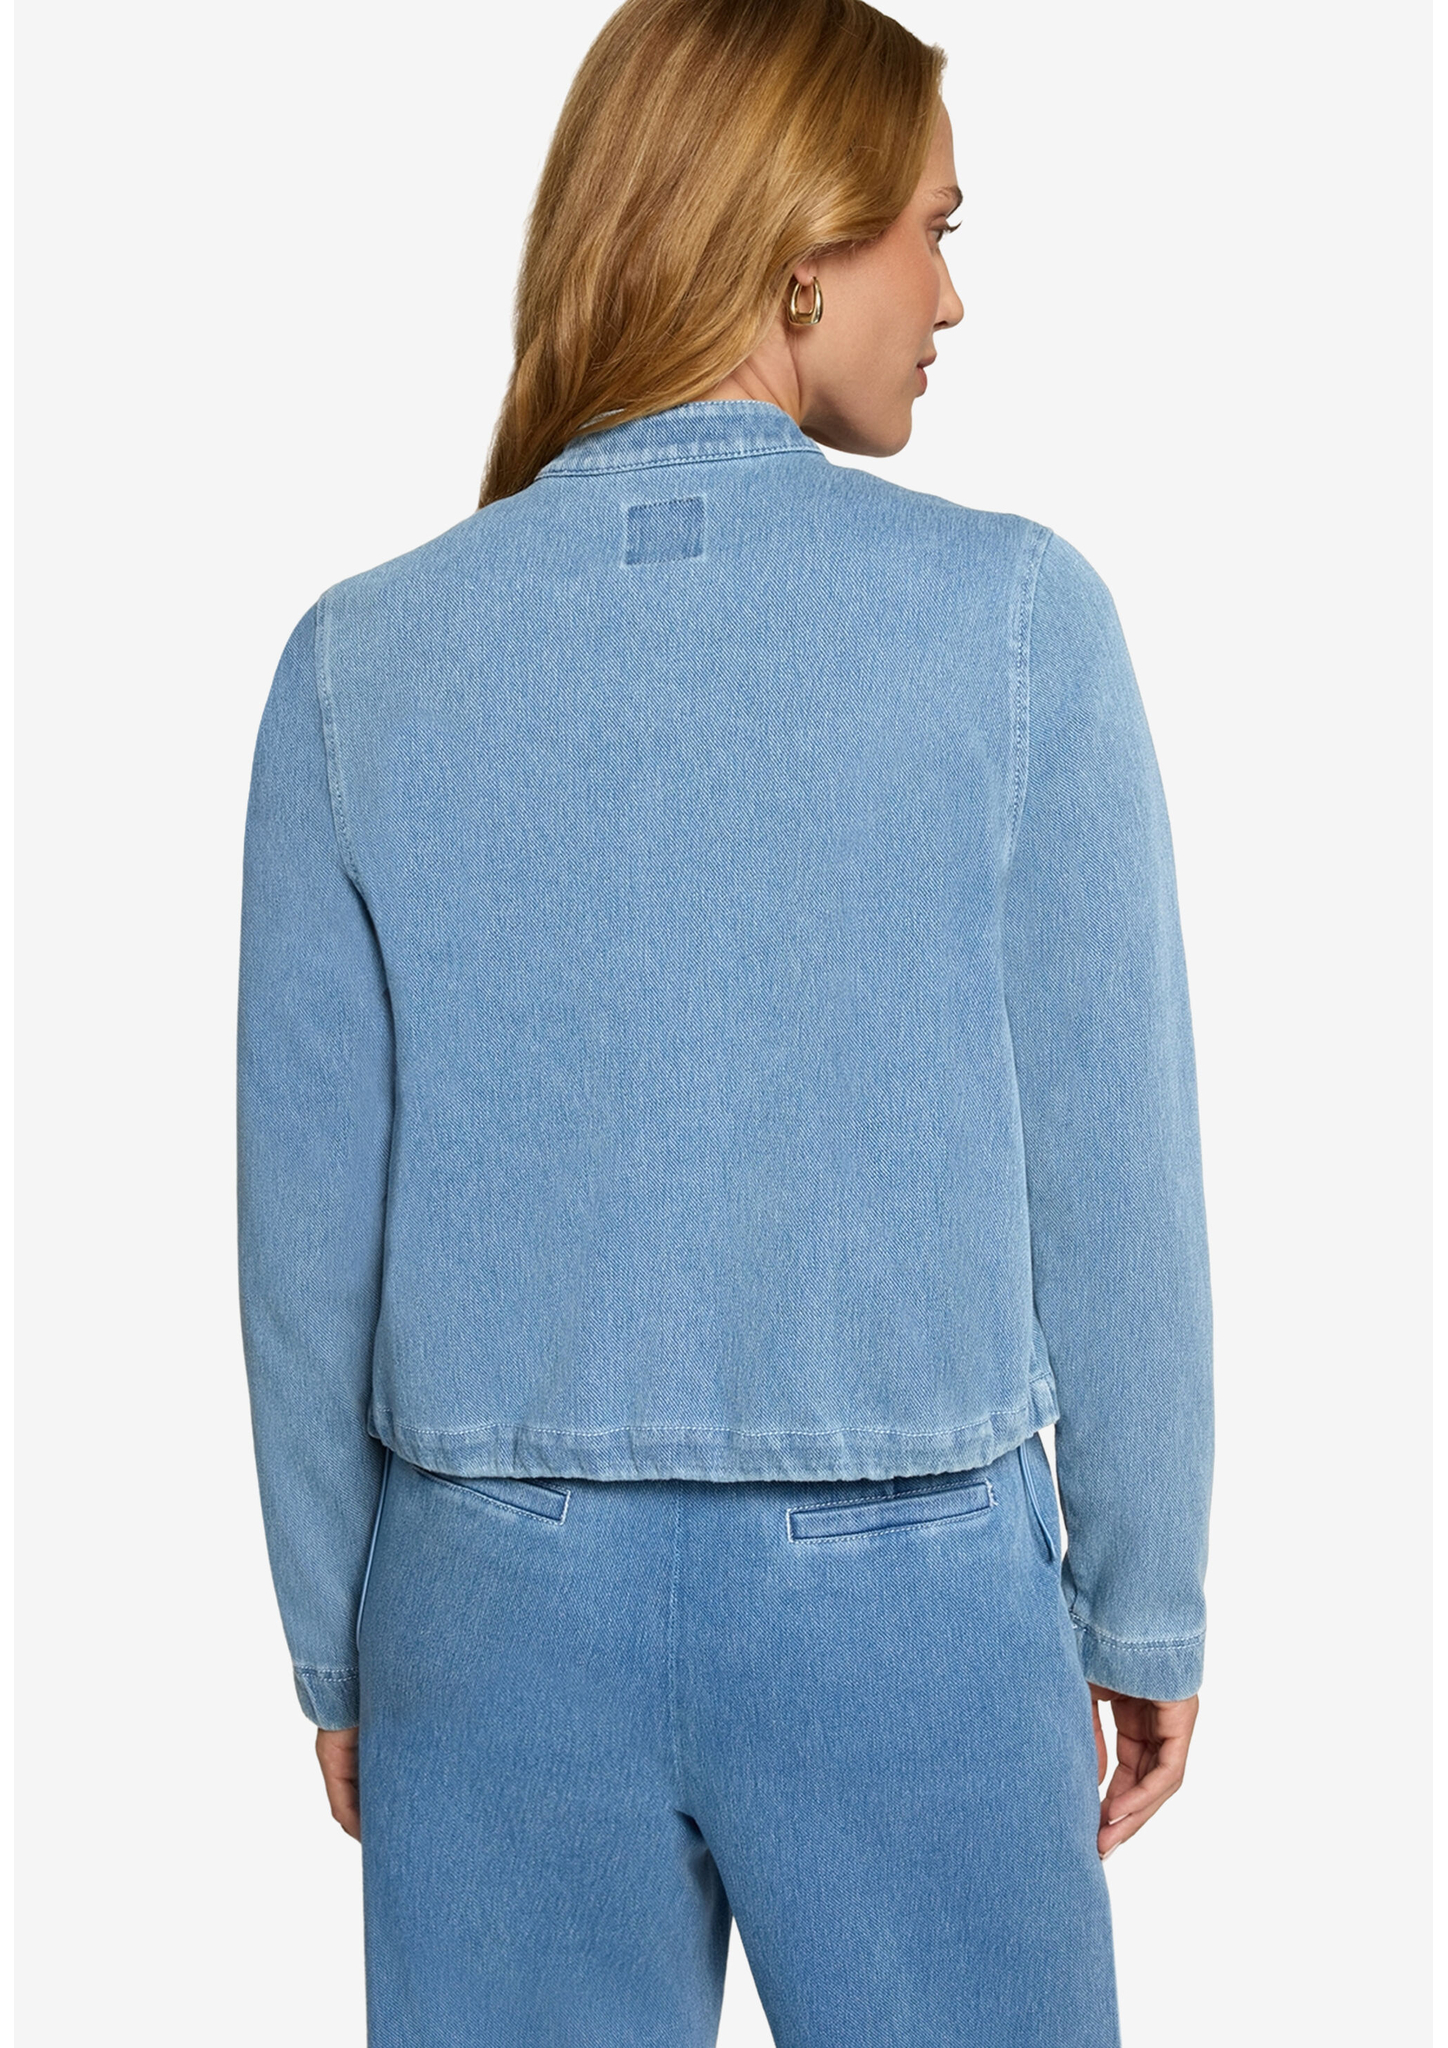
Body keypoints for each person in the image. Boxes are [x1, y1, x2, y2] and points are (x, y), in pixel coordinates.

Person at [237, 0, 1213, 2041]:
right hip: (908, 1604)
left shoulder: (358, 663)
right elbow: (1116, 1170)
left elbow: (304, 1240)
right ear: (795, 249)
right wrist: (1144, 1596)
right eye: (931, 231)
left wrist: (343, 1639)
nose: (951, 296)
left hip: (489, 1615)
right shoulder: (1017, 624)